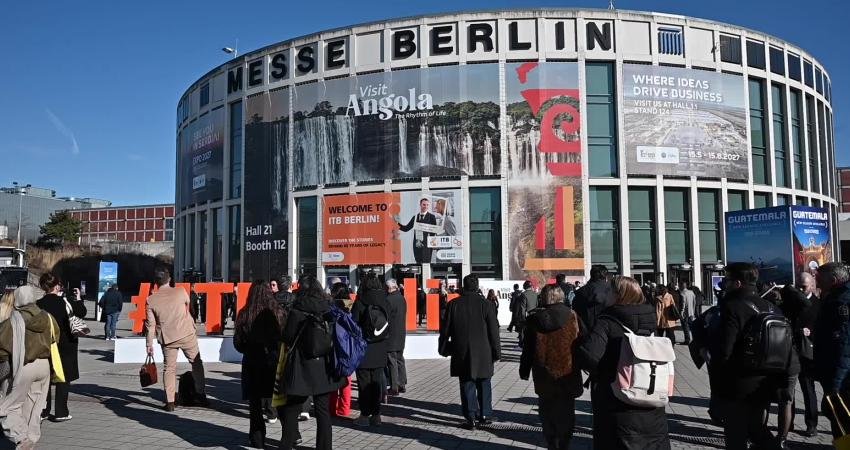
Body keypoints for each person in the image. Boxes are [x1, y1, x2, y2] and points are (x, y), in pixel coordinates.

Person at [577, 276, 670, 449]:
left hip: (617, 401)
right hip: (651, 398)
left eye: (608, 291)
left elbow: (589, 356)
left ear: (618, 295)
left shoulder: (607, 321)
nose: (604, 295)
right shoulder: (649, 319)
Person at [709, 262, 781, 449]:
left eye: (727, 279)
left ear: (738, 283)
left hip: (739, 382)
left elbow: (725, 350)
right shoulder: (771, 307)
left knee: (736, 434)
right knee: (757, 428)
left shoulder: (733, 307)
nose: (724, 282)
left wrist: (718, 386)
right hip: (767, 379)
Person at [279, 275, 344, 450]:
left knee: (292, 407)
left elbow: (287, 336)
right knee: (323, 411)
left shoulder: (297, 308)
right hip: (324, 364)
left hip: (301, 364)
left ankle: (287, 444)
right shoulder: (328, 307)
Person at [519, 284, 583, 450]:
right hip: (568, 372)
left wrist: (524, 369)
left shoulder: (534, 319)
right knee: (567, 411)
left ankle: (551, 442)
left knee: (546, 410)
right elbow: (583, 341)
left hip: (543, 372)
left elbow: (528, 349)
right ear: (561, 297)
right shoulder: (573, 316)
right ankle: (564, 443)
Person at [438, 274, 501, 430]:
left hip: (462, 350)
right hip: (484, 350)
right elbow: (494, 331)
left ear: (464, 286)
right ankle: (485, 414)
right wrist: (497, 352)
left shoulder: (454, 304)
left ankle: (470, 417)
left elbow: (445, 330)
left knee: (467, 383)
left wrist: (443, 348)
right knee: (484, 382)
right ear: (477, 286)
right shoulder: (486, 304)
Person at [144, 266, 207, 411]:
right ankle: (201, 394)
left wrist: (149, 344)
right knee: (196, 363)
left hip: (168, 339)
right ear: (170, 279)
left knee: (169, 369)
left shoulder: (151, 300)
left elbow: (150, 325)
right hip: (186, 334)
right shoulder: (180, 291)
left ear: (156, 282)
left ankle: (170, 402)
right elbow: (187, 305)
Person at [0, 286, 56, 449]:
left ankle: (20, 437)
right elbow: (55, 336)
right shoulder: (47, 317)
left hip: (23, 365)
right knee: (33, 405)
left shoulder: (14, 319)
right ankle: (30, 438)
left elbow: (2, 344)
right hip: (44, 365)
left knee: (7, 406)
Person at [233, 282, 285, 448]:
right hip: (274, 362)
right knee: (280, 401)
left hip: (252, 361)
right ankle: (289, 436)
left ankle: (257, 439)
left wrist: (249, 348)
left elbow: (238, 343)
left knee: (254, 405)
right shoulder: (278, 312)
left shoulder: (245, 313)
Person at [36, 273, 86, 422]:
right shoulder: (65, 302)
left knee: (45, 378)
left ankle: (43, 410)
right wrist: (78, 299)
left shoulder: (38, 304)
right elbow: (82, 312)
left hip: (45, 344)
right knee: (63, 378)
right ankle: (61, 412)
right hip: (65, 344)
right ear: (57, 285)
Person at [813, 262, 850, 440]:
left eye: (820, 279)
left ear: (833, 280)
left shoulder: (842, 302)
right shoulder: (834, 297)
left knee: (841, 420)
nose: (816, 282)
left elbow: (845, 345)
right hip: (835, 371)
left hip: (842, 375)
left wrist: (836, 382)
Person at [350, 273, 391, 426]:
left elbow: (353, 324)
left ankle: (364, 415)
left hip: (363, 348)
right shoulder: (385, 301)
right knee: (376, 384)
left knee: (363, 384)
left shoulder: (361, 301)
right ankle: (377, 415)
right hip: (380, 348)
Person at [783, 272, 819, 437]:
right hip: (790, 351)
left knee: (808, 389)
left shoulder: (818, 305)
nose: (799, 289)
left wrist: (810, 333)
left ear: (811, 285)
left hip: (807, 352)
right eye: (798, 285)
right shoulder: (790, 302)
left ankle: (811, 424)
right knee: (788, 390)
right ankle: (787, 423)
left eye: (803, 286)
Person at [329, 282, 353, 418]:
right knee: (346, 379)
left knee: (332, 379)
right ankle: (344, 409)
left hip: (333, 345)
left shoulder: (331, 307)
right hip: (347, 346)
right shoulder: (350, 305)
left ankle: (331, 408)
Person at [572, 265, 616, 332]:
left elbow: (576, 312)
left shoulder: (580, 293)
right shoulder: (613, 292)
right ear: (605, 276)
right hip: (608, 331)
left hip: (585, 331)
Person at [397, 197, 438, 263]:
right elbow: (406, 228)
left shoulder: (432, 217)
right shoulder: (415, 217)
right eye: (424, 204)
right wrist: (396, 224)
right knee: (418, 265)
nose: (426, 206)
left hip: (427, 246)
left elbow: (434, 233)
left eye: (427, 205)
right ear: (420, 205)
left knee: (426, 265)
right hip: (417, 245)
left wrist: (433, 245)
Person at [385, 279, 407, 396]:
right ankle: (402, 383)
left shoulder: (388, 300)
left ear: (389, 288)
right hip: (401, 333)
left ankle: (394, 387)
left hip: (391, 335)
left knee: (391, 361)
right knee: (400, 359)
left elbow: (386, 319)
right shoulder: (402, 298)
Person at [517, 281, 538, 345]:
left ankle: (522, 343)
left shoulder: (523, 294)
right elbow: (537, 304)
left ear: (525, 286)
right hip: (534, 314)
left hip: (526, 315)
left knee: (523, 330)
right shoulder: (535, 294)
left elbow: (522, 307)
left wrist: (522, 318)